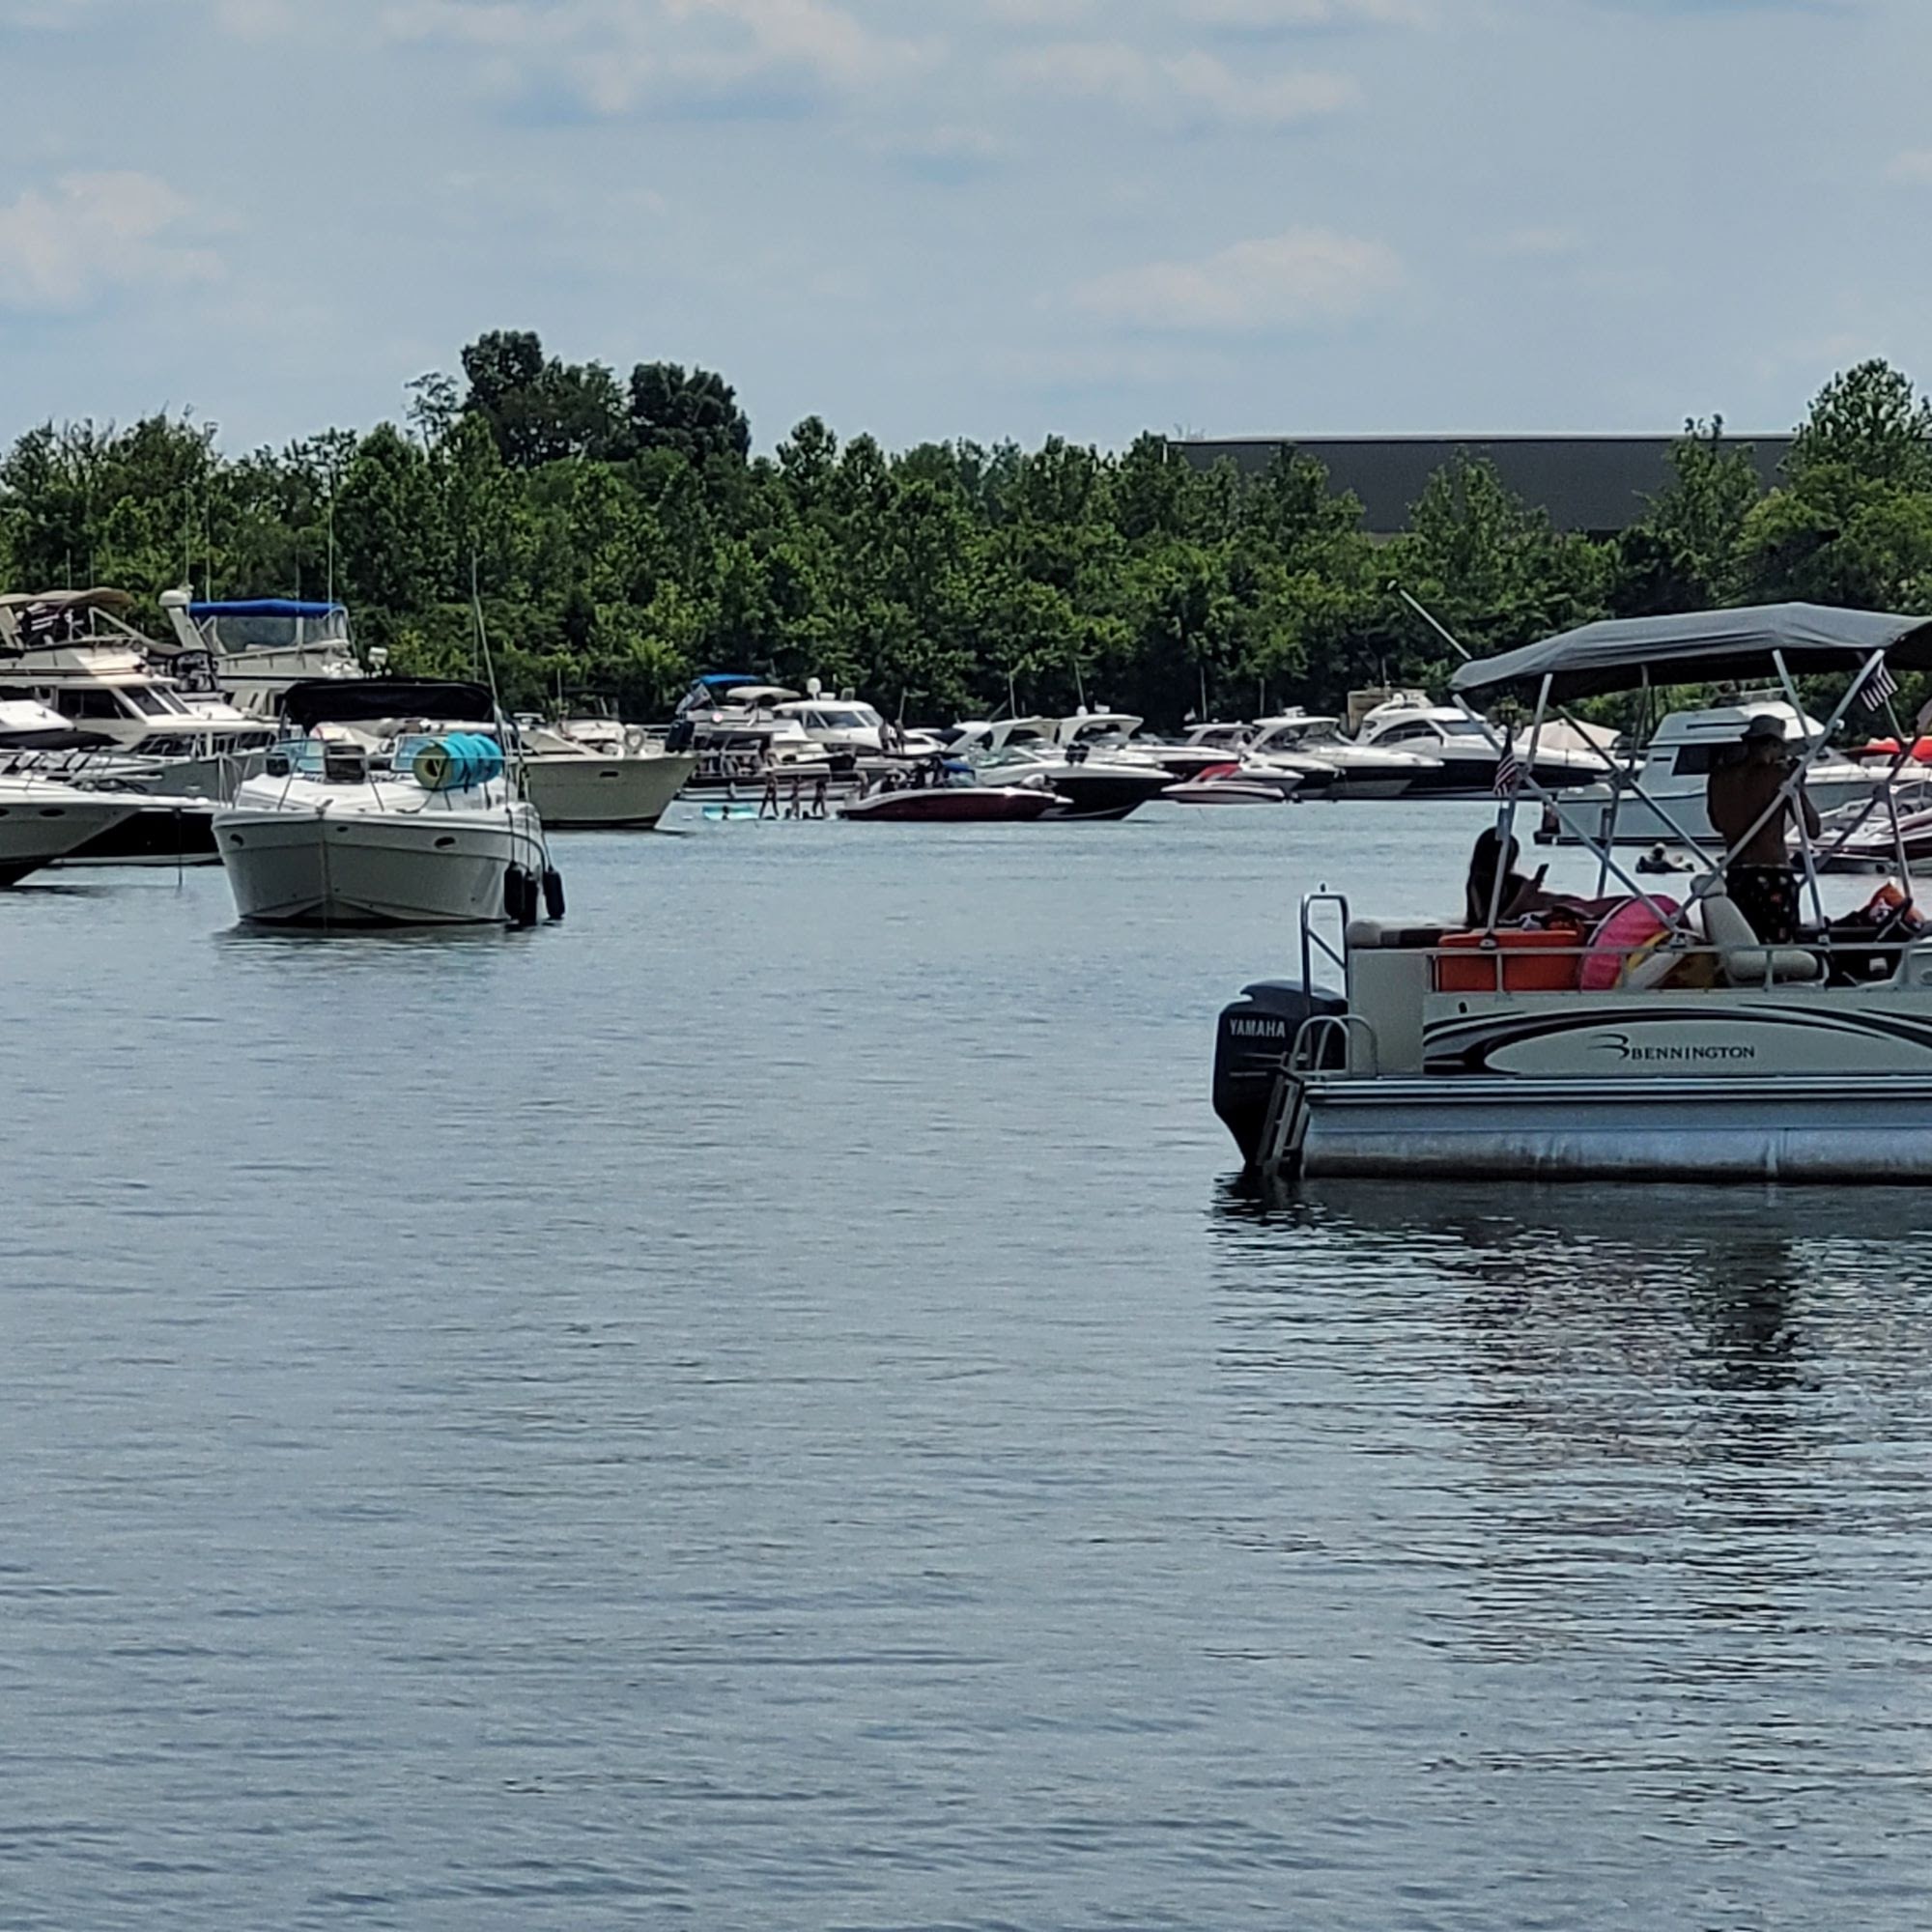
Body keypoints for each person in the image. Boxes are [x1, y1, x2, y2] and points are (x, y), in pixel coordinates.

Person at [1705, 716, 1819, 943]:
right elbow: (1812, 828)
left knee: (1746, 943)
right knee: (1778, 953)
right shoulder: (1780, 777)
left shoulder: (1719, 778)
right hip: (1773, 874)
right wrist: (1799, 787)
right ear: (1772, 745)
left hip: (1737, 875)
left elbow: (1717, 823)